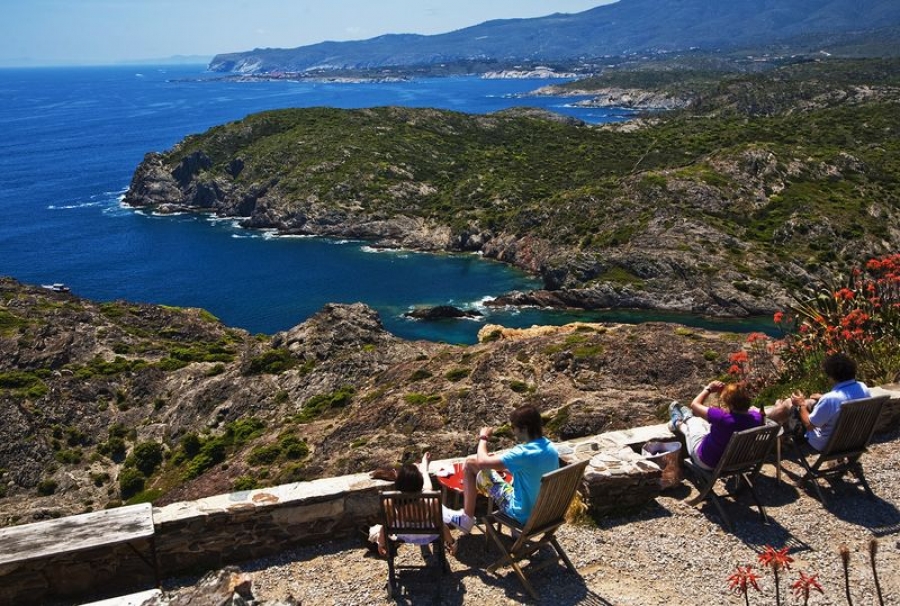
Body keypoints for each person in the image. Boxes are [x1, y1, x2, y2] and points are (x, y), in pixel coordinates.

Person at [444, 404, 559, 533]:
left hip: (521, 514)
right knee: (492, 470)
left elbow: (482, 462)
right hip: (545, 512)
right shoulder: (550, 448)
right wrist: (501, 466)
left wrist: (483, 438)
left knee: (471, 464)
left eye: (513, 427)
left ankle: (466, 520)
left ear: (524, 428)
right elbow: (530, 471)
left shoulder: (522, 453)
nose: (513, 431)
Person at [768, 353, 870, 451]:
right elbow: (843, 399)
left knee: (788, 403)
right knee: (811, 403)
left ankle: (765, 426)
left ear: (831, 376)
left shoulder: (830, 399)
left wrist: (801, 405)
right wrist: (823, 397)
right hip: (856, 440)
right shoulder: (863, 387)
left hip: (826, 444)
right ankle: (775, 409)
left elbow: (809, 425)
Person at [368, 452, 457, 557]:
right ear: (420, 484)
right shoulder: (431, 500)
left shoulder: (389, 502)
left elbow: (386, 526)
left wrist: (381, 543)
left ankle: (424, 469)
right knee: (429, 489)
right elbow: (441, 525)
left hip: (404, 535)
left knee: (428, 489)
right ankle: (424, 469)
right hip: (428, 535)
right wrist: (451, 542)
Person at [669, 380, 763, 470]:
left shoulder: (722, 417)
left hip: (709, 462)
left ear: (731, 405)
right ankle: (680, 421)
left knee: (695, 422)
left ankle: (680, 420)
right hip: (740, 463)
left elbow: (694, 404)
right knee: (702, 427)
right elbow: (751, 413)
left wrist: (709, 388)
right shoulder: (757, 418)